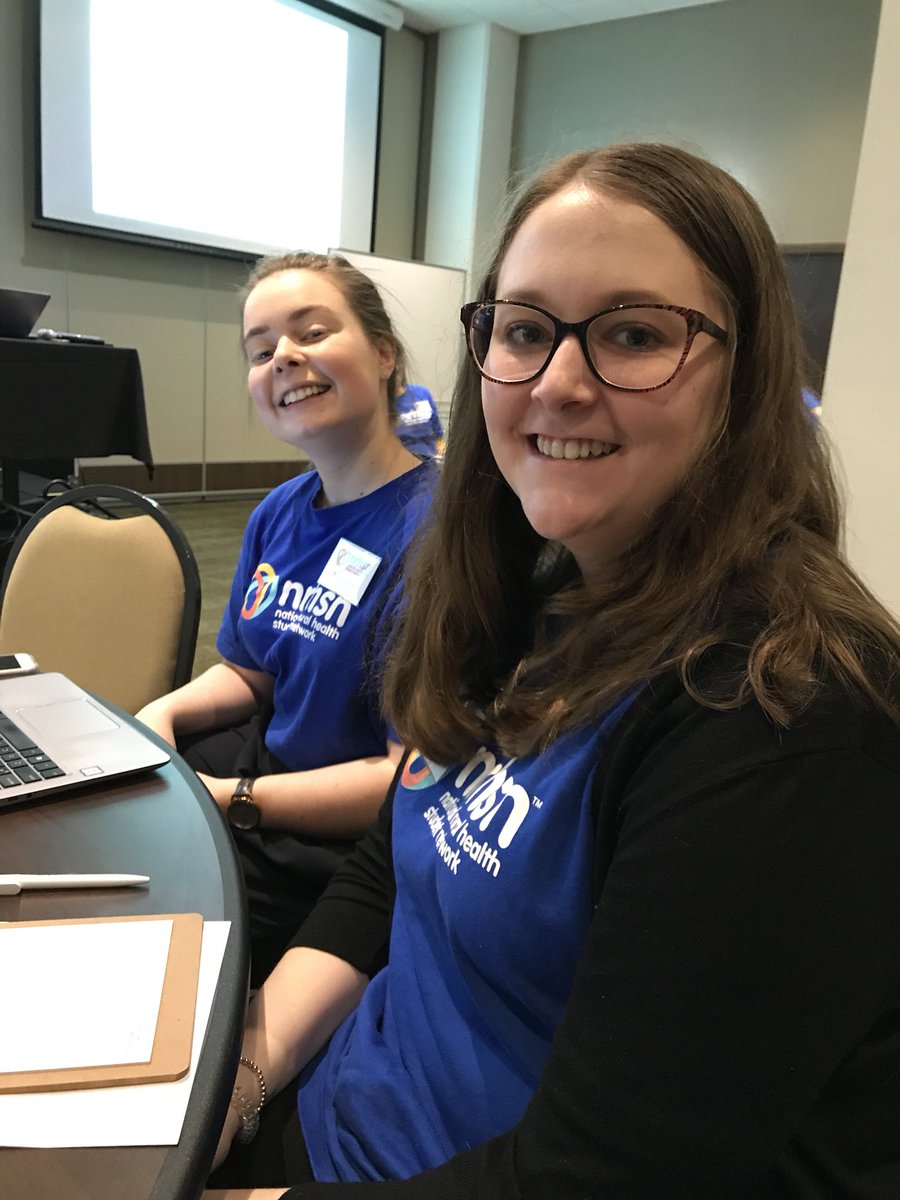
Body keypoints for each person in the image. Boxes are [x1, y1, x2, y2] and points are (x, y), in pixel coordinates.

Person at [204, 145, 900, 1199]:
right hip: (324, 1119)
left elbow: (601, 1175)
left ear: (747, 373)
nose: (559, 383)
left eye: (632, 335)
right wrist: (242, 1080)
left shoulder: (785, 717)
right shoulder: (531, 585)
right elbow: (391, 863)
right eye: (524, 331)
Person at [137, 251, 437, 986]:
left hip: (346, 850)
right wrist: (161, 713)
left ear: (385, 352)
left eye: (312, 332)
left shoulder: (436, 533)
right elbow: (251, 671)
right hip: (265, 783)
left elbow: (408, 772)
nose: (285, 358)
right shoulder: (279, 512)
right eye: (262, 349)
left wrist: (237, 804)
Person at [393, 381, 445, 457]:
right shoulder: (384, 402)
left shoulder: (422, 392)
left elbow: (435, 423)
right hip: (402, 457)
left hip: (429, 454)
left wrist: (440, 443)